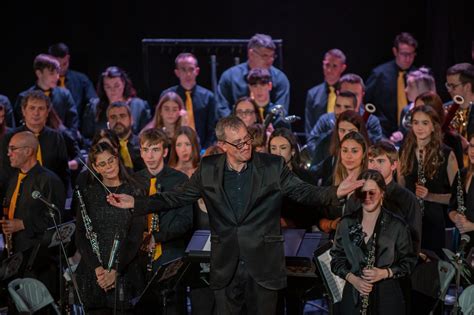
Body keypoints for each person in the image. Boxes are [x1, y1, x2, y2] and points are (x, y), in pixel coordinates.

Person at [107, 116, 363, 314]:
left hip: (264, 266)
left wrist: (336, 191)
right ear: (222, 145)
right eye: (238, 143)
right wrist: (136, 203)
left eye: (247, 139)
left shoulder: (271, 166)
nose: (245, 146)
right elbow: (176, 197)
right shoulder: (208, 169)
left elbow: (305, 193)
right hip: (226, 265)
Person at [330, 169, 417, 315]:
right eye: (363, 193)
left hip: (387, 297)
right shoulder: (346, 223)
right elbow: (336, 260)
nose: (367, 197)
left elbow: (409, 261)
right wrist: (354, 280)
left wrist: (385, 273)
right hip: (353, 295)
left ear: (382, 192)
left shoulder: (397, 225)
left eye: (372, 192)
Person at [74, 142, 145, 313]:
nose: (109, 167)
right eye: (102, 164)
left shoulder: (135, 190)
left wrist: (115, 271)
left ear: (117, 159)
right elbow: (81, 235)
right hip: (94, 274)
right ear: (95, 168)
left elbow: (135, 237)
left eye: (111, 160)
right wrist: (98, 269)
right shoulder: (88, 193)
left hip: (125, 271)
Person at [133, 128, 192, 314]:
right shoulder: (134, 181)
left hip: (170, 256)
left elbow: (185, 221)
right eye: (146, 150)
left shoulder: (180, 180)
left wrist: (156, 237)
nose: (150, 156)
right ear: (141, 152)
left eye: (155, 150)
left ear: (165, 152)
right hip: (141, 261)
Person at [0, 131, 65, 295]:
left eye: (13, 148)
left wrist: (22, 223)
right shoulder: (15, 179)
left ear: (28, 151)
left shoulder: (49, 180)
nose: (8, 153)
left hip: (39, 264)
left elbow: (55, 220)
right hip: (16, 260)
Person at [398, 105, 458, 257]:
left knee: (430, 271)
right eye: (416, 122)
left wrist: (430, 196)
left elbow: (458, 196)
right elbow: (400, 189)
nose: (419, 127)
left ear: (433, 127)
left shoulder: (446, 154)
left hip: (433, 224)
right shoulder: (405, 151)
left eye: (425, 123)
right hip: (409, 221)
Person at [345, 141, 422, 253]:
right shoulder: (356, 197)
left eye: (380, 161)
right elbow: (346, 234)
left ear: (394, 165)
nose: (374, 166)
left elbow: (414, 242)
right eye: (371, 161)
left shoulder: (407, 199)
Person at [0, 90, 70, 191]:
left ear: (47, 112)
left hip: (49, 193)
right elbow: (5, 173)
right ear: (24, 111)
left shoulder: (56, 137)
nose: (36, 113)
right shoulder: (10, 137)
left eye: (41, 108)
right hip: (18, 194)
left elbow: (64, 173)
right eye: (32, 108)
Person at [217, 33, 290, 118]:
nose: (270, 60)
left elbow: (280, 111)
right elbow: (221, 109)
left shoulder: (280, 78)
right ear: (251, 54)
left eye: (272, 56)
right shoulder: (229, 77)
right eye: (265, 56)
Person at [365, 32, 418, 137]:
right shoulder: (379, 74)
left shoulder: (417, 76)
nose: (408, 59)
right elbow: (366, 102)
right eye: (404, 54)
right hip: (382, 131)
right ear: (395, 51)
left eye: (411, 54)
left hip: (411, 132)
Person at [161, 53, 217, 149]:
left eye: (191, 69)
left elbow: (212, 129)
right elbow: (160, 124)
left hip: (201, 151)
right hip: (173, 150)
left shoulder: (208, 97)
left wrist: (205, 151)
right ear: (177, 72)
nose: (188, 74)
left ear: (197, 71)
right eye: (183, 69)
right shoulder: (167, 96)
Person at [318, 131, 368, 235]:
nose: (349, 156)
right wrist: (331, 224)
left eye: (354, 151)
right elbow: (318, 217)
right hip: (334, 241)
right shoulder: (331, 181)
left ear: (363, 154)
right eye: (345, 151)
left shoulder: (370, 183)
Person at [13, 54, 79, 132]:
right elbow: (18, 128)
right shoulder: (24, 97)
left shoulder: (64, 94)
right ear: (39, 73)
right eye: (52, 73)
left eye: (57, 72)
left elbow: (73, 125)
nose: (57, 77)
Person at [82, 66, 151, 140]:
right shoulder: (94, 107)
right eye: (108, 87)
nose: (113, 90)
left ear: (123, 84)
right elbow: (87, 138)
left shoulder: (138, 106)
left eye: (116, 86)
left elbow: (146, 136)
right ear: (103, 87)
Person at [268, 128, 318, 230]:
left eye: (283, 148)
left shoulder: (307, 178)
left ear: (293, 151)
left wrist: (290, 222)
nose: (277, 153)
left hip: (300, 233)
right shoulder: (263, 177)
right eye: (273, 148)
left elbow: (313, 214)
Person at [311, 110, 370, 186]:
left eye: (351, 131)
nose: (346, 135)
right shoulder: (331, 161)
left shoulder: (371, 160)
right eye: (342, 130)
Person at [48, 42, 97, 123]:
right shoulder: (45, 82)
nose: (61, 69)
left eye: (64, 64)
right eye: (57, 66)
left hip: (76, 129)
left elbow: (93, 101)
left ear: (68, 58)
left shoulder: (81, 79)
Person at [305, 49, 347, 136]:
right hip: (319, 145)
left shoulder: (348, 93)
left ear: (343, 68)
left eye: (334, 66)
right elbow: (309, 127)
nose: (329, 70)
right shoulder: (313, 94)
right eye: (327, 65)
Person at [390, 67, 436, 142]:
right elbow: (403, 134)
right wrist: (399, 136)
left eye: (410, 86)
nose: (405, 90)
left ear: (422, 89)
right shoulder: (406, 110)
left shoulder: (435, 111)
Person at [448, 132, 474, 254]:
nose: (473, 151)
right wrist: (456, 217)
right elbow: (452, 207)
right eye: (472, 146)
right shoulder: (462, 174)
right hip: (462, 239)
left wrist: (472, 226)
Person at [106, 101, 145, 172]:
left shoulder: (144, 145)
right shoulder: (104, 148)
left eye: (122, 116)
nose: (118, 121)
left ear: (131, 120)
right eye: (113, 117)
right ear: (108, 122)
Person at [445, 63, 474, 143]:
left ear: (467, 87)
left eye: (453, 86)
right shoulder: (445, 109)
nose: (449, 90)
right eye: (448, 85)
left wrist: (467, 146)